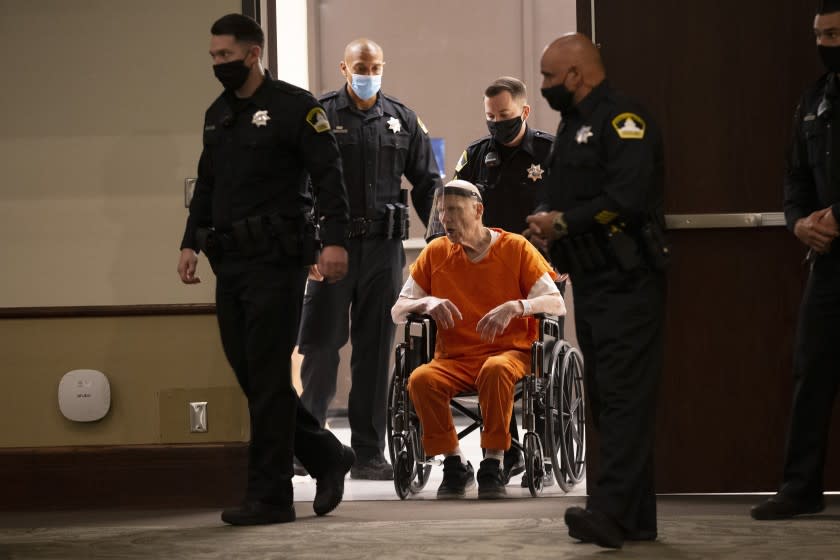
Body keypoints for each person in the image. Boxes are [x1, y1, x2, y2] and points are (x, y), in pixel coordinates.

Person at [177, 13, 355, 526]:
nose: (218, 65)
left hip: (278, 261)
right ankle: (326, 454)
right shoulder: (218, 114)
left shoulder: (296, 108)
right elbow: (207, 184)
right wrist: (189, 242)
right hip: (230, 261)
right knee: (252, 374)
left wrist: (335, 241)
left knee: (270, 375)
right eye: (213, 57)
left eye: (225, 56)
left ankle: (272, 496)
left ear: (253, 54)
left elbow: (329, 177)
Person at [527, 34, 667, 548]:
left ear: (575, 75)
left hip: (629, 279)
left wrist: (564, 222)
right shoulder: (571, 126)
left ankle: (607, 514)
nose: (543, 86)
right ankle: (637, 518)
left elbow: (627, 197)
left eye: (548, 77)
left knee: (625, 398)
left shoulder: (623, 119)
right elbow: (560, 190)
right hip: (591, 278)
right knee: (609, 399)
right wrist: (545, 218)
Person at [297, 38, 442, 480]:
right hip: (332, 248)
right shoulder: (319, 114)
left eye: (376, 66)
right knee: (321, 346)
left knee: (376, 351)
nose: (369, 73)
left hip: (383, 249)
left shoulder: (402, 119)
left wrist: (440, 243)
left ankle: (367, 452)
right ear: (344, 67)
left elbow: (428, 184)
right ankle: (307, 446)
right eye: (362, 66)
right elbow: (299, 182)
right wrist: (308, 245)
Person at [391, 180, 565, 499]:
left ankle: (494, 463)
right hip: (454, 359)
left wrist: (518, 306)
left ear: (478, 210)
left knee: (495, 370)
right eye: (442, 212)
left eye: (455, 211)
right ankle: (455, 462)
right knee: (420, 379)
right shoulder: (436, 253)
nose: (446, 219)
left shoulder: (515, 248)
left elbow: (557, 303)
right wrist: (426, 302)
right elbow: (398, 310)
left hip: (510, 354)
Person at [751, 0, 840, 521]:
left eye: (834, 34)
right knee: (812, 370)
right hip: (827, 261)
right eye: (820, 35)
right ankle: (801, 488)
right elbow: (794, 177)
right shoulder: (813, 101)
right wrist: (799, 222)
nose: (825, 44)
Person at [453, 76, 556, 485]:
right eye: (490, 118)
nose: (497, 124)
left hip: (537, 272)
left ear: (525, 112)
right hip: (489, 274)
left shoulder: (549, 151)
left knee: (539, 366)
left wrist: (562, 255)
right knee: (491, 360)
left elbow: (570, 204)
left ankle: (542, 453)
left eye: (505, 116)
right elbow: (453, 201)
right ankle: (506, 449)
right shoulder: (478, 155)